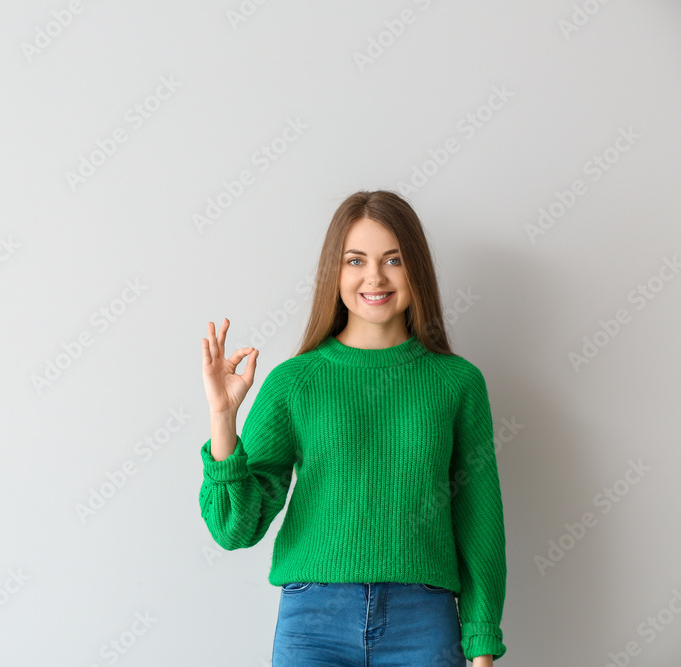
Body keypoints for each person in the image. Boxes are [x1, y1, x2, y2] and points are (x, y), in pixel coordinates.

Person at [198, 190, 507, 666]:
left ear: (416, 269)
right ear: (334, 273)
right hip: (313, 623)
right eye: (355, 260)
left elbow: (478, 517)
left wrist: (482, 642)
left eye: (393, 259)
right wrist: (223, 418)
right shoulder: (295, 382)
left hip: (424, 622)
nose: (374, 277)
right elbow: (235, 528)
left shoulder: (457, 383)